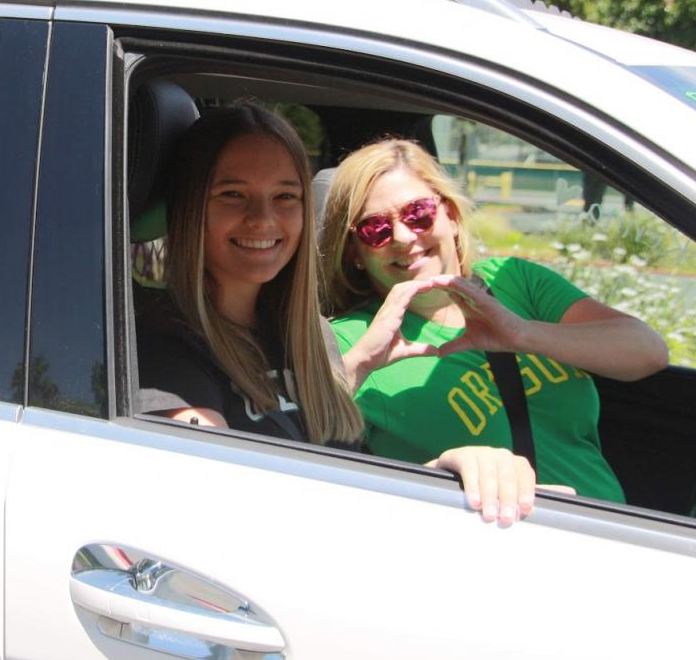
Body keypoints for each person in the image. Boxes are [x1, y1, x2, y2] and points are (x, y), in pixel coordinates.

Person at [137, 104, 538, 525]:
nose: (264, 218)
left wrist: (443, 474)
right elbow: (222, 512)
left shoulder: (309, 337)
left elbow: (344, 484)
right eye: (232, 195)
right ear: (190, 207)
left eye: (286, 196)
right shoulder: (166, 349)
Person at [320, 138, 668, 503]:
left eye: (417, 213)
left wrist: (521, 334)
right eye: (374, 230)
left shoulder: (514, 281)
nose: (405, 237)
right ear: (355, 253)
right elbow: (291, 444)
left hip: (612, 527)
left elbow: (648, 352)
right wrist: (440, 465)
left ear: (451, 216)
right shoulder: (353, 339)